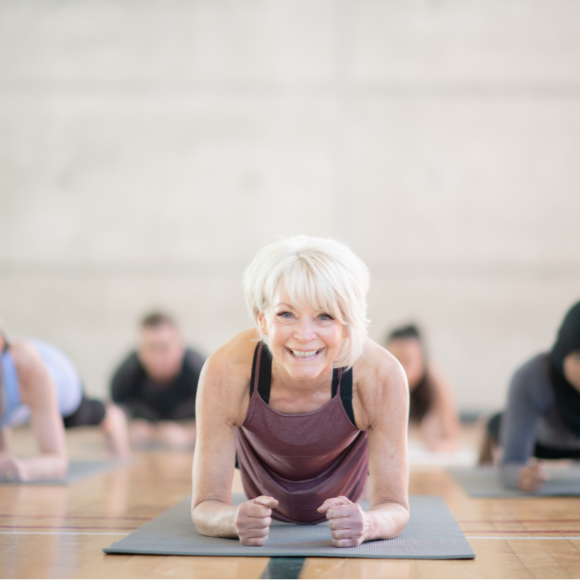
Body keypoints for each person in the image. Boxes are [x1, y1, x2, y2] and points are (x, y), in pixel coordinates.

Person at [191, 236, 410, 548]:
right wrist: (232, 519)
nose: (305, 336)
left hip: (349, 500)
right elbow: (205, 506)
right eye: (286, 314)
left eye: (325, 316)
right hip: (263, 504)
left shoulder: (380, 375)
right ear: (262, 319)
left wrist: (368, 523)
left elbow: (396, 507)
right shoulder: (225, 371)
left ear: (347, 323)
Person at [0, 330, 130, 482]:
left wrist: (23, 468)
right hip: (17, 398)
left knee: (81, 416)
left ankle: (110, 414)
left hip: (64, 386)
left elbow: (57, 461)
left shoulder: (29, 369)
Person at [479, 300, 580, 491]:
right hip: (539, 442)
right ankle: (490, 426)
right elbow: (510, 463)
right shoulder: (532, 377)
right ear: (565, 349)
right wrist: (521, 476)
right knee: (503, 424)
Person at [111, 312, 205, 448]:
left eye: (165, 347)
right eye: (151, 348)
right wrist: (127, 429)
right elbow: (114, 417)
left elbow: (224, 424)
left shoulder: (201, 373)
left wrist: (188, 434)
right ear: (141, 351)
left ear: (180, 347)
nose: (158, 357)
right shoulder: (124, 377)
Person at [385, 325, 460, 453]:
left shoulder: (434, 380)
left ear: (423, 361)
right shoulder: (378, 380)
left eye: (408, 362)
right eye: (395, 360)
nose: (401, 369)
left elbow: (452, 439)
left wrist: (439, 446)